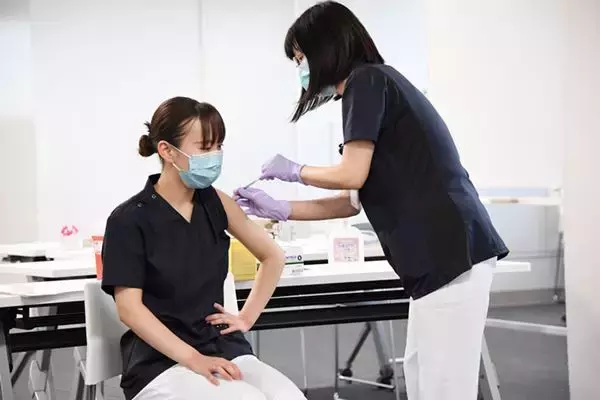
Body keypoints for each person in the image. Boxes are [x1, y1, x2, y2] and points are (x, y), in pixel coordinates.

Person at [234, 2, 509, 400]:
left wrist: (295, 170)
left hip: (451, 252)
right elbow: (349, 201)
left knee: (443, 386)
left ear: (326, 47)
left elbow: (351, 174)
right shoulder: (374, 88)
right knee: (422, 376)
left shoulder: (366, 82)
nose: (301, 69)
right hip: (437, 260)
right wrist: (281, 209)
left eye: (300, 58)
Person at [101, 96, 306, 400]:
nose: (215, 156)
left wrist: (245, 318)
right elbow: (130, 310)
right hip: (159, 361)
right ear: (167, 151)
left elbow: (273, 256)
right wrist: (194, 359)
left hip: (221, 346)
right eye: (205, 147)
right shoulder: (129, 219)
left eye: (218, 146)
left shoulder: (216, 202)